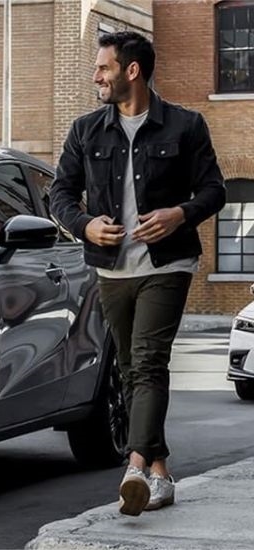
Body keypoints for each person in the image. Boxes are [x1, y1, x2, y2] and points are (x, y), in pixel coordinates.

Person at [50, 31, 225, 516]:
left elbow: (214, 190)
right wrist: (85, 225)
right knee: (130, 368)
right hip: (111, 268)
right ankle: (161, 472)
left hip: (168, 263)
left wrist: (179, 214)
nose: (95, 76)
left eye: (103, 68)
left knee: (147, 361)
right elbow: (59, 194)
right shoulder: (86, 130)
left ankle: (133, 465)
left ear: (132, 71)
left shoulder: (186, 126)